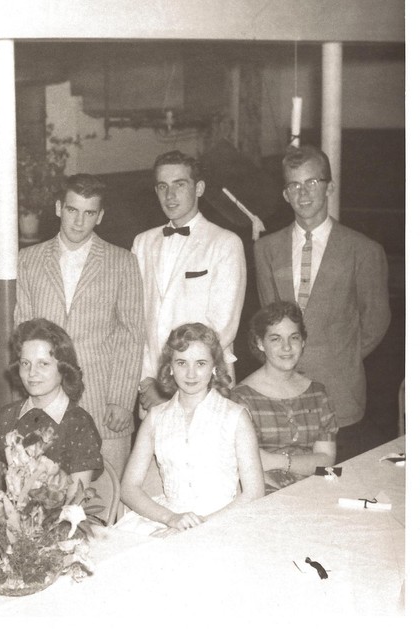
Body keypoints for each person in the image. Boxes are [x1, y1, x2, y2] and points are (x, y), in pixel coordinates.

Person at [254, 145, 390, 462]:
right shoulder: (266, 249)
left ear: (329, 186)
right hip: (282, 394)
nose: (303, 193)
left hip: (340, 395)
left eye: (312, 183)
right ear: (285, 194)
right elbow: (268, 322)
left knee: (336, 486)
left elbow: (375, 323)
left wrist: (341, 356)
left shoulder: (364, 250)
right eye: (294, 185)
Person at [16, 173, 143, 477]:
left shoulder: (122, 262)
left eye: (88, 213)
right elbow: (23, 329)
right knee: (42, 491)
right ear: (59, 207)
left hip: (102, 399)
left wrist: (122, 400)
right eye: (72, 210)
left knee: (107, 497)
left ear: (100, 216)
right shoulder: (28, 259)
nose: (78, 221)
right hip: (44, 397)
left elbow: (132, 335)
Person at [116, 323, 264, 535]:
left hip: (222, 522)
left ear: (214, 367)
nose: (191, 373)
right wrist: (171, 518)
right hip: (168, 520)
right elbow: (128, 488)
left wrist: (198, 527)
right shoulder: (156, 417)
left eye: (201, 363)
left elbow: (255, 492)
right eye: (182, 362)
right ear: (170, 367)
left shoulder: (236, 416)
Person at [132, 150, 246, 414]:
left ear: (199, 188)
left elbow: (221, 328)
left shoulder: (225, 243)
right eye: (163, 186)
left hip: (204, 387)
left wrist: (169, 386)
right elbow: (136, 320)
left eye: (179, 184)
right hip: (150, 390)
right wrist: (147, 382)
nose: (170, 195)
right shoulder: (142, 242)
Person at [0, 319, 103, 496]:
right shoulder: (8, 416)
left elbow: (76, 499)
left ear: (64, 368)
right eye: (25, 363)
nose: (32, 373)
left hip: (63, 520)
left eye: (43, 364)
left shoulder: (78, 423)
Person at [230, 301, 338, 493]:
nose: (287, 347)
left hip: (318, 488)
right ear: (260, 343)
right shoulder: (242, 398)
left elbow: (327, 460)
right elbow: (249, 471)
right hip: (269, 495)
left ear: (303, 342)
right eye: (276, 339)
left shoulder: (317, 393)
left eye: (294, 338)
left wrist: (275, 461)